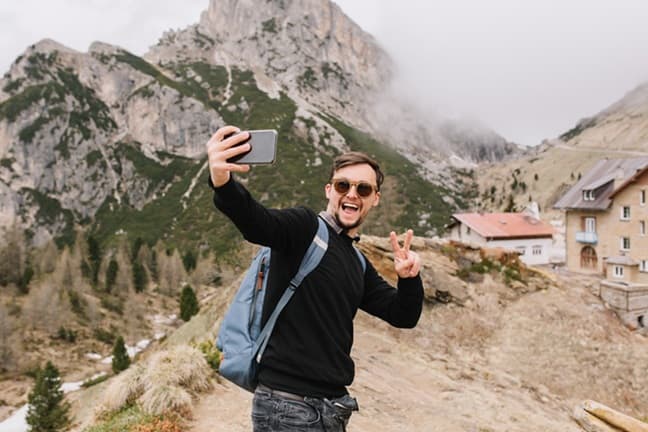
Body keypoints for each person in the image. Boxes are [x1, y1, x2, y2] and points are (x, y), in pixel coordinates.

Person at [206, 125, 424, 432]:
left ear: (375, 198)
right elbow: (257, 223)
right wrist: (222, 182)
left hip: (331, 408)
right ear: (329, 190)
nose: (351, 193)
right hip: (288, 406)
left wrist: (409, 278)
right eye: (342, 185)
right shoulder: (305, 228)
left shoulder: (358, 263)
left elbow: (403, 315)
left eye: (363, 189)